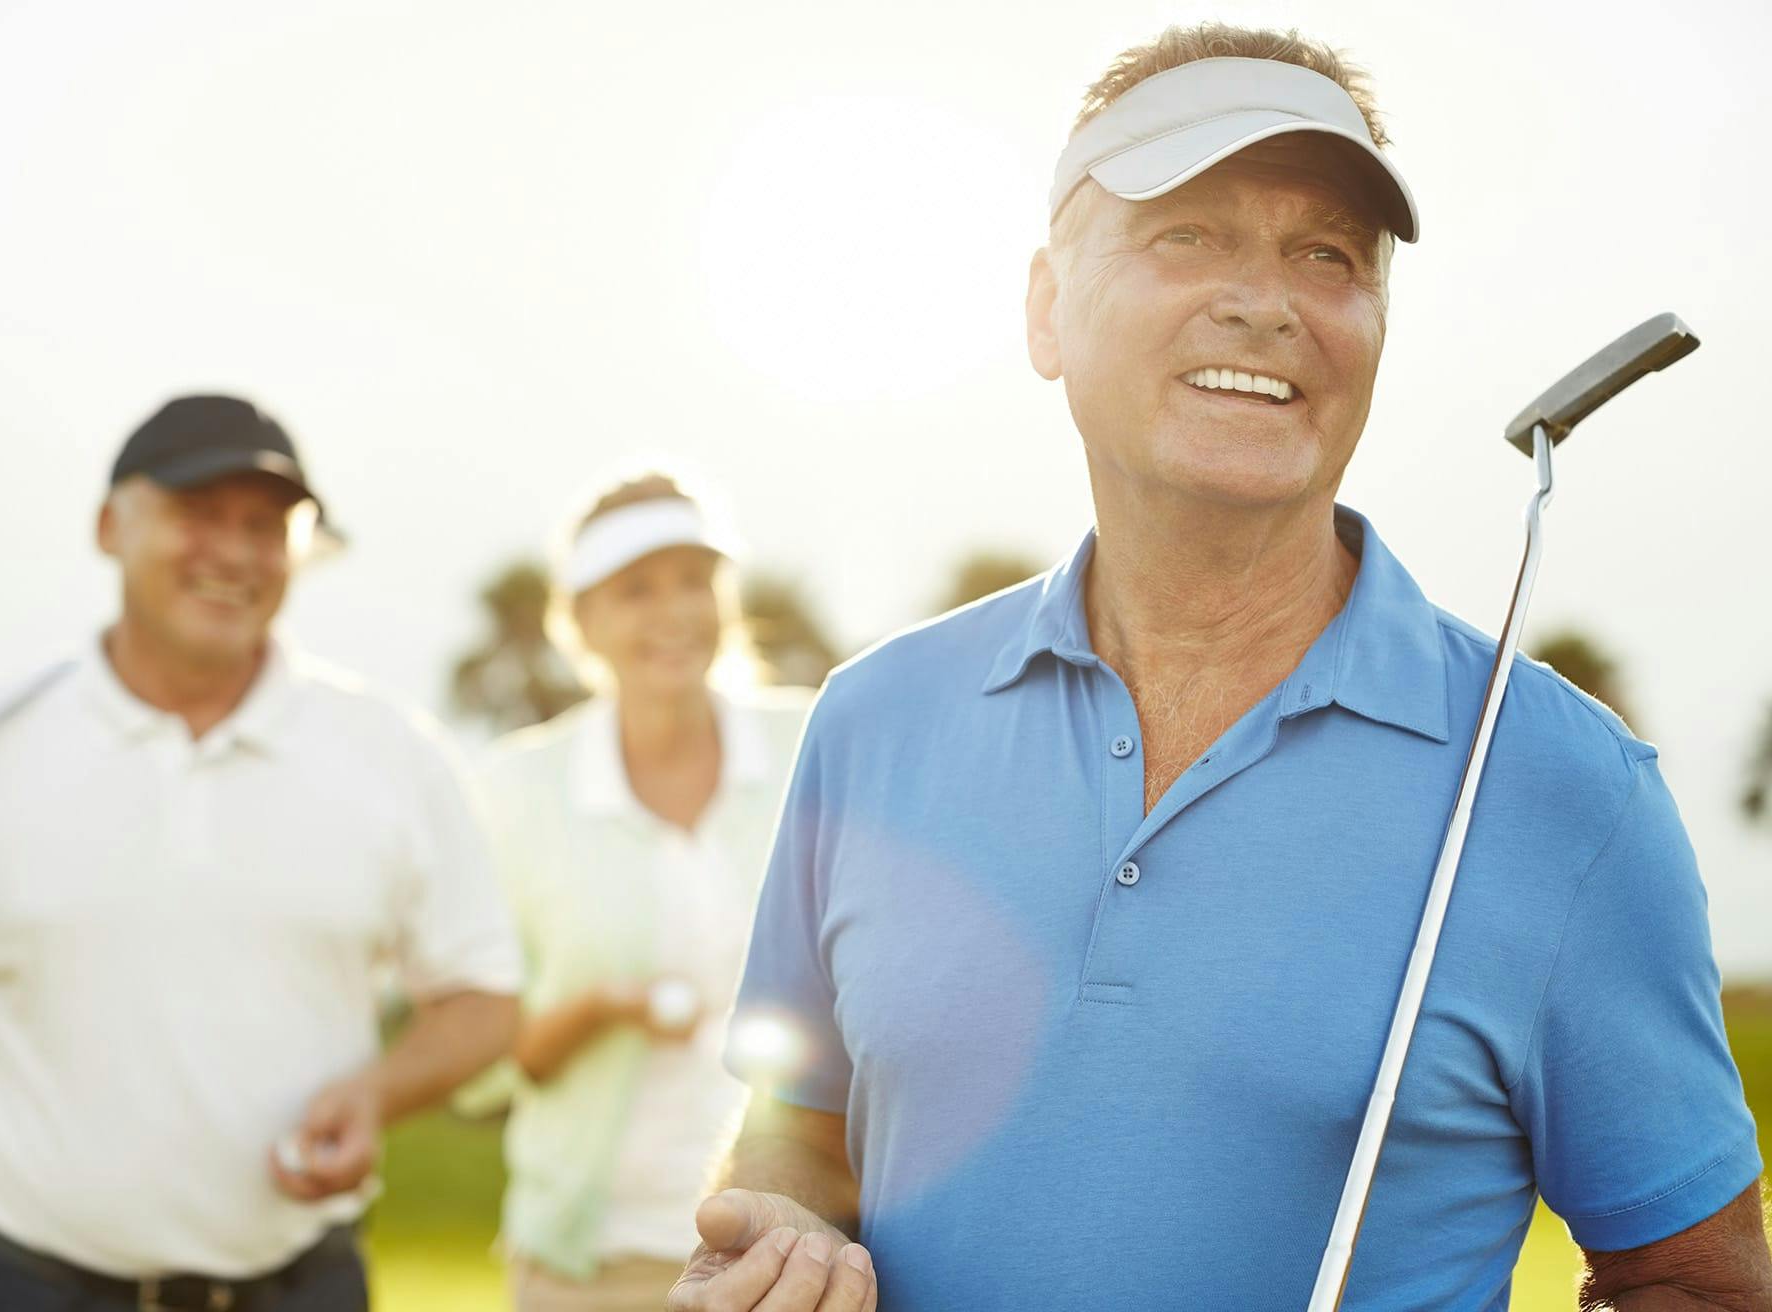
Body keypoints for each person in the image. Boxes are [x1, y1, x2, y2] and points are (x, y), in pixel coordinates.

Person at [668, 25, 1772, 1312]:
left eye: (1328, 256)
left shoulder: (1563, 790)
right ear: (1045, 307)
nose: (1268, 300)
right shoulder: (872, 722)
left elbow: (1700, 1281)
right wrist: (781, 1246)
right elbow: (799, 1129)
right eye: (1187, 234)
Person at [0, 394, 523, 1311]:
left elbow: (482, 999)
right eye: (196, 514)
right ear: (108, 526)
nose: (236, 553)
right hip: (22, 1281)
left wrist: (378, 1092)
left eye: (265, 525)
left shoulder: (389, 751)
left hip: (303, 1284)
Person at [475, 474, 810, 1310]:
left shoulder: (814, 738)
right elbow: (480, 1054)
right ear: (582, 620)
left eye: (695, 581)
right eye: (636, 591)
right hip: (596, 1259)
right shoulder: (515, 791)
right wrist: (599, 1009)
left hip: (791, 1247)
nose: (675, 612)